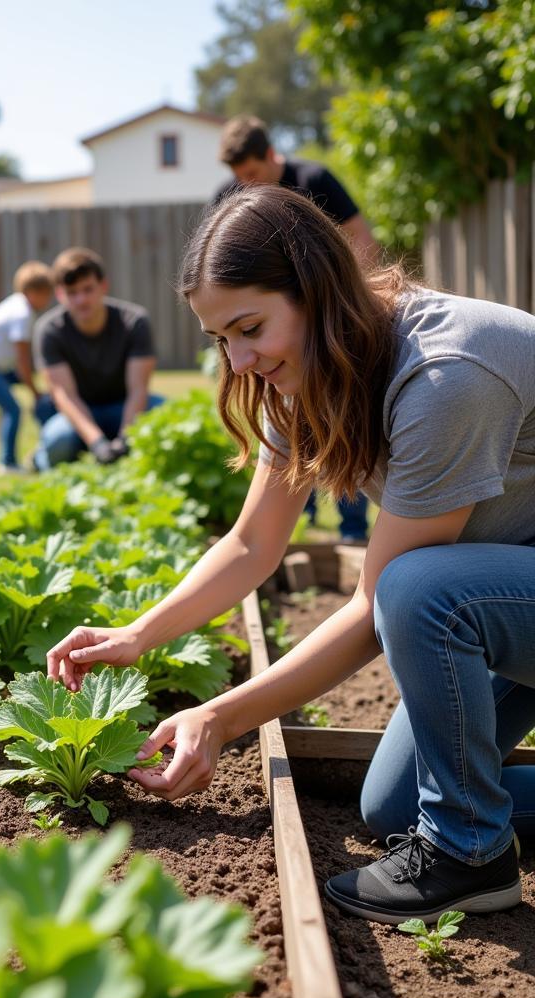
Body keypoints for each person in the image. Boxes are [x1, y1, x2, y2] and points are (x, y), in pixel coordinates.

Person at [48, 185, 535, 924]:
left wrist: (218, 718)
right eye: (221, 340)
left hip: (500, 594)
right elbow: (252, 543)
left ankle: (474, 856)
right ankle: (470, 821)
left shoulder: (445, 376)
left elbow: (378, 607)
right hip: (514, 589)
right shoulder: (312, 368)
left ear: (315, 291)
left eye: (249, 328)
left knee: (419, 592)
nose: (239, 361)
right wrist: (139, 634)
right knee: (396, 802)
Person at [215, 114, 379, 541]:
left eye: (252, 173)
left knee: (345, 420)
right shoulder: (231, 196)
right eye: (238, 177)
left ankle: (352, 529)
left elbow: (361, 239)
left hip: (331, 324)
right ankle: (295, 526)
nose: (246, 186)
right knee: (287, 422)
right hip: (271, 333)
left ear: (271, 155)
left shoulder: (314, 178)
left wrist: (346, 301)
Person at [32, 247, 164, 470]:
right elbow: (65, 396)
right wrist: (97, 443)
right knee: (58, 440)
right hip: (80, 411)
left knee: (167, 418)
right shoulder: (49, 330)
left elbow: (138, 389)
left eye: (87, 289)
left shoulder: (134, 321)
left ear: (103, 286)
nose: (81, 300)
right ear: (60, 294)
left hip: (124, 405)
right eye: (72, 292)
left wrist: (125, 439)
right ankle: (41, 459)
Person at [0, 261, 57, 474]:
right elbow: (23, 362)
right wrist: (35, 392)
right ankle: (8, 463)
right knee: (14, 409)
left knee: (14, 406)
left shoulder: (16, 305)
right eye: (46, 294)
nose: (48, 300)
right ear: (32, 292)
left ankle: (43, 441)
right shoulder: (22, 313)